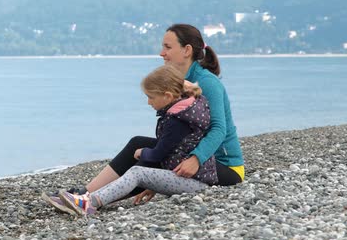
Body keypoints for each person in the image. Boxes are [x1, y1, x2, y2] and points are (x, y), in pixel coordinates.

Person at [42, 23, 244, 210]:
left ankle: (90, 201)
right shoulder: (181, 81)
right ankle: (86, 193)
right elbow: (179, 136)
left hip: (224, 166)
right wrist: (161, 181)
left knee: (154, 156)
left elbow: (219, 129)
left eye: (167, 47)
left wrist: (196, 159)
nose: (161, 53)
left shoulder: (207, 83)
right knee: (138, 143)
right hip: (197, 158)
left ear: (187, 50)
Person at [47, 64, 216, 215]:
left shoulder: (178, 120)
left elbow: (158, 154)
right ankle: (85, 196)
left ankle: (89, 203)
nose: (148, 102)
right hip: (190, 177)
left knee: (137, 172)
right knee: (138, 154)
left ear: (167, 96)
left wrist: (142, 152)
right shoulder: (185, 109)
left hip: (194, 182)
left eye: (151, 97)